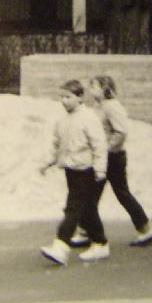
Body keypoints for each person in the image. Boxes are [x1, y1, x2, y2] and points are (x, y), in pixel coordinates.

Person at [76, 76, 152, 247]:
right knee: (91, 194)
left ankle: (146, 229)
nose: (91, 90)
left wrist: (105, 150)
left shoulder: (112, 106)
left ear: (105, 88)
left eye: (94, 86)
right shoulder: (98, 106)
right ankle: (85, 231)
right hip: (101, 157)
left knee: (120, 194)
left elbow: (120, 132)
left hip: (112, 158)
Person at [39, 79, 109, 265]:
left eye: (68, 97)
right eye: (61, 97)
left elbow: (99, 145)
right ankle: (100, 243)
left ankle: (60, 247)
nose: (64, 101)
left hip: (87, 170)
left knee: (73, 208)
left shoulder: (89, 118)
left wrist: (100, 169)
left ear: (80, 97)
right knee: (87, 209)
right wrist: (48, 162)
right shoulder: (62, 120)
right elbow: (57, 144)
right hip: (71, 170)